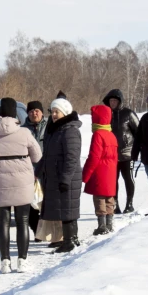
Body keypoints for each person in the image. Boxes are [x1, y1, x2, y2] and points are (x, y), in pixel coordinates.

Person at [0, 98, 42, 274]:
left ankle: (5, 262)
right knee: (23, 222)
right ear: (14, 113)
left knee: (2, 223)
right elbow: (37, 156)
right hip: (22, 183)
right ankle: (22, 261)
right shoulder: (25, 133)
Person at [35, 96, 82, 253]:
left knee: (67, 209)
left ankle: (69, 241)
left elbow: (72, 158)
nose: (53, 115)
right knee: (64, 208)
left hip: (65, 177)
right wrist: (37, 172)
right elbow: (47, 154)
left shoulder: (70, 131)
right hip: (57, 177)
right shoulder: (56, 130)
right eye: (52, 111)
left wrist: (65, 179)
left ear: (65, 112)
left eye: (57, 112)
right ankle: (71, 239)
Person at [82, 105, 118, 235]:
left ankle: (101, 225)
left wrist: (85, 175)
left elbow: (94, 157)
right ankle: (109, 223)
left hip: (99, 172)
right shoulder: (111, 135)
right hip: (111, 172)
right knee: (109, 198)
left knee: (99, 198)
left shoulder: (98, 135)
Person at [102, 89, 139, 214]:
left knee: (128, 179)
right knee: (113, 181)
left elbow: (139, 132)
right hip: (111, 155)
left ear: (120, 101)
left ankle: (129, 203)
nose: (112, 103)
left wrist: (137, 150)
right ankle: (115, 204)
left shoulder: (128, 114)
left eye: (115, 100)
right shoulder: (106, 115)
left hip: (127, 154)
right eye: (110, 101)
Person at [22, 100, 47, 238]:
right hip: (29, 172)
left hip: (46, 171)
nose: (34, 113)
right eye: (31, 111)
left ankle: (47, 231)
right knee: (30, 206)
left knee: (45, 204)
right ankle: (37, 231)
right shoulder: (23, 130)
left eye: (37, 110)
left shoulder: (49, 127)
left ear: (42, 112)